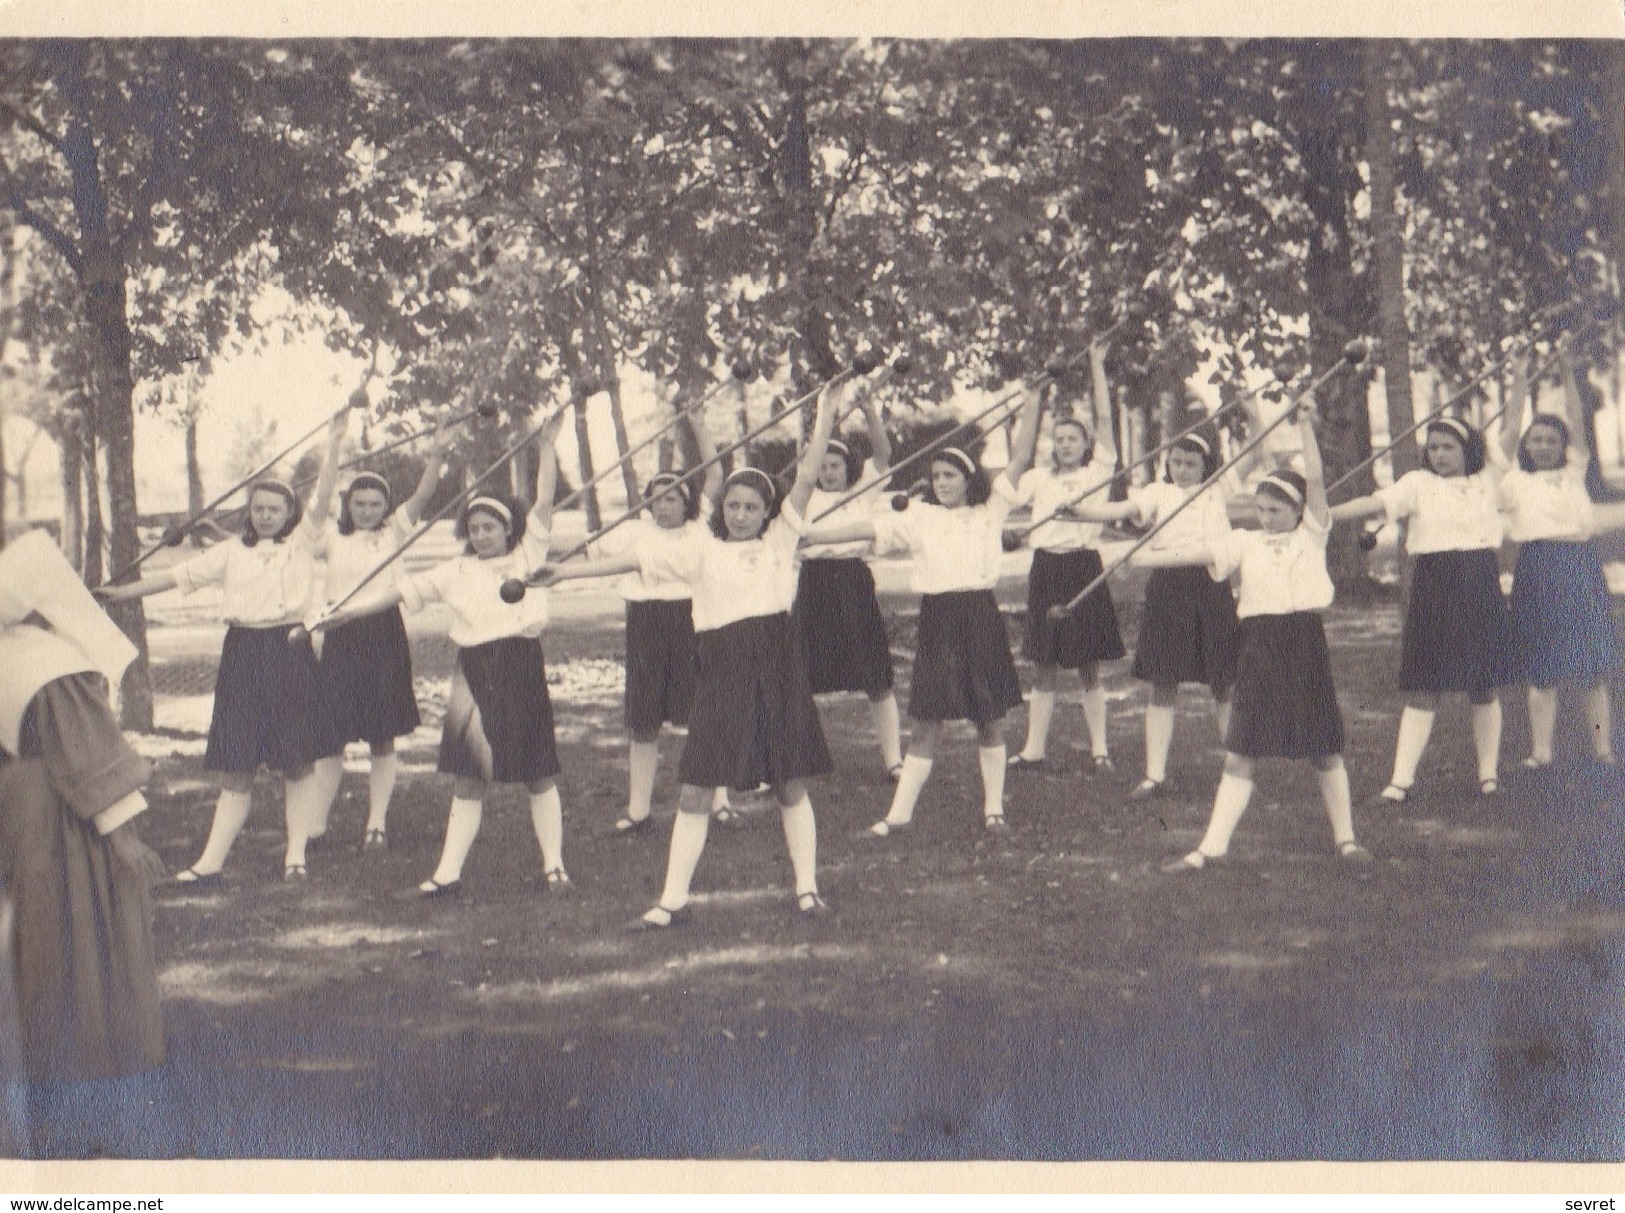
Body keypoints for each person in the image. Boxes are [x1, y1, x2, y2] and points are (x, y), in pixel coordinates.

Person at [535, 382, 844, 926]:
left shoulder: (780, 542)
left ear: (769, 510)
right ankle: (671, 901)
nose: (743, 513)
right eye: (734, 504)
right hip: (721, 671)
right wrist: (562, 572)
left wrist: (827, 410)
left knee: (790, 784)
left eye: (753, 506)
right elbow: (627, 566)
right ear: (720, 506)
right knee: (698, 786)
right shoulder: (702, 547)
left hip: (776, 669)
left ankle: (807, 888)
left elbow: (809, 468)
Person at [312, 407, 572, 899]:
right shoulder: (454, 570)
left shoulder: (529, 554)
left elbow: (543, 500)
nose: (480, 534)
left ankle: (554, 865)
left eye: (489, 527)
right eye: (473, 528)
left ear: (507, 530)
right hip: (473, 671)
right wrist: (343, 613)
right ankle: (447, 872)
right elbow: (394, 593)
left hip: (520, 666)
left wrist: (547, 447)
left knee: (538, 773)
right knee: (469, 778)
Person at [95, 410, 349, 882]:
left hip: (290, 649)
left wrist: (334, 442)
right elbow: (174, 578)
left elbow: (325, 495)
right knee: (236, 764)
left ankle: (296, 854)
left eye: (275, 509)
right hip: (243, 656)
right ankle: (209, 861)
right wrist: (119, 594)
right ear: (249, 513)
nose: (267, 516)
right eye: (259, 509)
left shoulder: (302, 542)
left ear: (289, 514)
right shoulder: (230, 552)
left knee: (296, 761)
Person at [1128, 408, 1371, 870]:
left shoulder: (1313, 534)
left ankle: (1347, 840)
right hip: (1258, 644)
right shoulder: (1246, 541)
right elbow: (1194, 553)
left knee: (1324, 749)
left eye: (1275, 511)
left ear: (1299, 510)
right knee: (1242, 749)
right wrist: (1138, 558)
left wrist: (1303, 423)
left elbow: (1315, 479)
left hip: (1304, 642)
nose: (1265, 518)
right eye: (1260, 510)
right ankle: (1208, 850)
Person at [799, 380, 1043, 838]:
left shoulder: (990, 510)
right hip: (938, 620)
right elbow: (868, 529)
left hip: (980, 617)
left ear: (969, 479)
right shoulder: (919, 516)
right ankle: (899, 814)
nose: (941, 483)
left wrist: (1031, 403)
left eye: (950, 475)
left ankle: (994, 809)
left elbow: (1022, 458)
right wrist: (811, 535)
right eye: (936, 477)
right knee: (926, 720)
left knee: (988, 718)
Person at [0, 530, 166, 1080]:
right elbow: (89, 755)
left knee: (28, 932)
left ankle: (33, 1053)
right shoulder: (47, 663)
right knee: (78, 926)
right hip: (59, 812)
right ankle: (84, 1054)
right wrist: (122, 838)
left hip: (14, 807)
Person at [1333, 412, 1513, 802]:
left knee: (1482, 685)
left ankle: (1488, 774)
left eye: (1449, 447)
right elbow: (1376, 501)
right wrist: (1326, 514)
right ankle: (1400, 781)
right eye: (1433, 448)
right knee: (1423, 684)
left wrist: (1517, 372)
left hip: (1479, 581)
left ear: (1469, 449)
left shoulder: (1488, 480)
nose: (1440, 454)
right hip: (1435, 584)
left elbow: (1512, 429)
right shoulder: (1417, 483)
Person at [1065, 429, 1244, 801]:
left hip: (1211, 586)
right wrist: (1080, 511)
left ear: (1206, 465)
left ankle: (1236, 771)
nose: (1182, 469)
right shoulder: (1158, 493)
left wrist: (1252, 412)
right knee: (1163, 680)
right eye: (1176, 462)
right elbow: (1122, 510)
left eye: (1191, 463)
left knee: (1223, 681)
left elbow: (1256, 454)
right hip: (1168, 587)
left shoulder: (1217, 489)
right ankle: (1154, 775)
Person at [308, 424, 455, 851]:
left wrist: (437, 454)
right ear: (348, 505)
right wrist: (335, 445)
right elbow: (320, 495)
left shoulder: (394, 531)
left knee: (381, 734)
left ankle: (377, 823)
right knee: (330, 735)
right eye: (360, 503)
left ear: (385, 506)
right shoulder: (331, 538)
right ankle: (316, 824)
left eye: (375, 503)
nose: (368, 510)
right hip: (340, 634)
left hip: (383, 635)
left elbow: (424, 495)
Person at [593, 408, 733, 834]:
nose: (663, 504)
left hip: (690, 623)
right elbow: (594, 554)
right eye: (656, 497)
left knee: (702, 714)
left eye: (672, 496)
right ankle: (638, 811)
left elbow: (714, 473)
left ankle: (719, 801)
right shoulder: (634, 531)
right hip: (646, 625)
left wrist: (696, 421)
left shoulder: (700, 529)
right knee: (643, 720)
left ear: (688, 502)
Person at [1497, 338, 1620, 769]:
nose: (1543, 445)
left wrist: (1568, 369)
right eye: (1537, 440)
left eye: (1551, 439)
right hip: (1537, 568)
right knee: (1542, 667)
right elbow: (1511, 429)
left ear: (1562, 445)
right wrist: (1519, 375)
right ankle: (1542, 750)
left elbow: (1578, 419)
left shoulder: (1574, 471)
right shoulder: (1513, 482)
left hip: (1579, 566)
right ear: (1528, 447)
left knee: (1591, 667)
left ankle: (1603, 749)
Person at [1007, 337, 1125, 774]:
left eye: (1072, 438)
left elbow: (1105, 418)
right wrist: (1032, 403)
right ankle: (1034, 749)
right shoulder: (1038, 478)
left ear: (1085, 442)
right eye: (1059, 439)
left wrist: (1096, 364)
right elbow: (1019, 456)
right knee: (1044, 662)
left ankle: (1100, 749)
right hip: (1046, 568)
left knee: (1089, 664)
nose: (1065, 444)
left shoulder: (1098, 473)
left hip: (1082, 567)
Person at [793, 380, 904, 779]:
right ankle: (801, 757)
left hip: (853, 582)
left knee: (875, 675)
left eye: (834, 465)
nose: (827, 473)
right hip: (813, 583)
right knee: (800, 676)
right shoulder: (804, 496)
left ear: (847, 467)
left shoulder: (862, 491)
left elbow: (884, 452)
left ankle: (893, 759)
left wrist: (869, 409)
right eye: (822, 466)